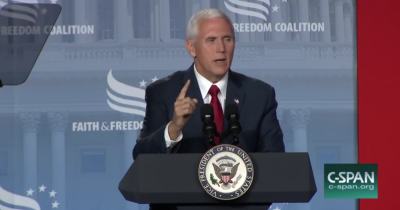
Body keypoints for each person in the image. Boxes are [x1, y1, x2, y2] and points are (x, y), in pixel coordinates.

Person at [132, 8, 285, 210]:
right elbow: (142, 158)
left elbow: (275, 165)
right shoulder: (163, 92)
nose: (221, 48)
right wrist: (174, 128)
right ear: (191, 47)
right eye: (211, 40)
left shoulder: (260, 94)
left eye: (227, 39)